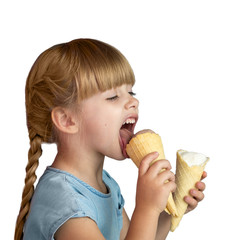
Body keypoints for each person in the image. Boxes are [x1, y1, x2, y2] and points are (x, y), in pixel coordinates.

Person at [14, 38, 207, 240]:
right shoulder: (63, 201)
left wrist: (168, 207)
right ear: (67, 120)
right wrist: (147, 209)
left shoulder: (106, 184)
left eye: (130, 92)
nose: (134, 101)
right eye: (113, 97)